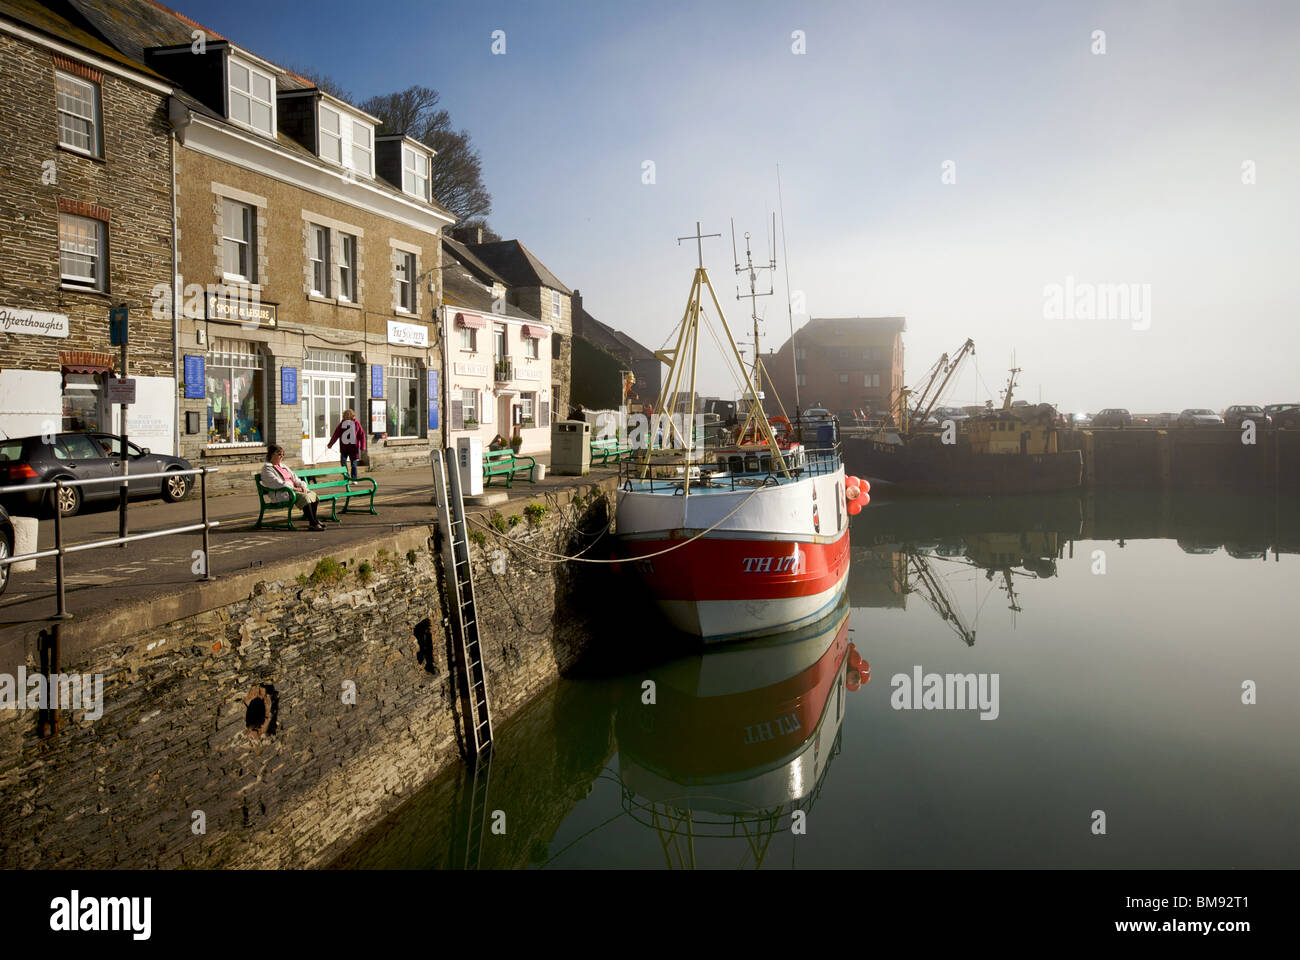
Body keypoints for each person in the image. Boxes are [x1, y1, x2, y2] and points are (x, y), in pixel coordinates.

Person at [261, 445, 325, 531]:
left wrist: (302, 485)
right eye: (279, 454)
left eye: (283, 454)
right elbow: (278, 483)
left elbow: (295, 478)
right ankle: (313, 523)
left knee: (313, 495)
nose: (282, 456)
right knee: (305, 497)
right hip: (282, 493)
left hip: (293, 491)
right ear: (272, 455)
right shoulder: (267, 469)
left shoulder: (283, 466)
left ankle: (314, 521)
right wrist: (296, 489)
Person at [326, 407, 367, 480]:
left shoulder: (356, 423)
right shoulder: (341, 424)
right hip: (344, 447)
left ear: (352, 416)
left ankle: (354, 478)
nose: (347, 416)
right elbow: (336, 434)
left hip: (353, 447)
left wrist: (363, 446)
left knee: (353, 464)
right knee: (343, 462)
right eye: (346, 415)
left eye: (349, 415)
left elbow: (362, 434)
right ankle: (347, 477)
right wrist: (330, 444)